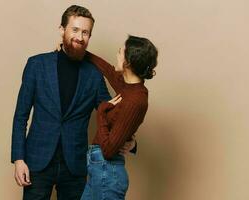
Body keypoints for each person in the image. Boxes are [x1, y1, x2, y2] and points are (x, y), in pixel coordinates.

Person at [11, 5, 135, 200]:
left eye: (85, 32)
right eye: (75, 29)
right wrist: (19, 159)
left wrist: (131, 141)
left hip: (74, 166)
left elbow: (111, 114)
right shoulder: (36, 65)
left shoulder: (94, 75)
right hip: (37, 162)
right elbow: (20, 116)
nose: (80, 36)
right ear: (62, 30)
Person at [80, 35, 158, 199]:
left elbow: (108, 150)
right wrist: (81, 52)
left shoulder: (135, 100)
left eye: (120, 52)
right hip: (99, 172)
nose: (116, 55)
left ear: (128, 62)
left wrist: (101, 112)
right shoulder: (128, 87)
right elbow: (107, 69)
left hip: (107, 174)